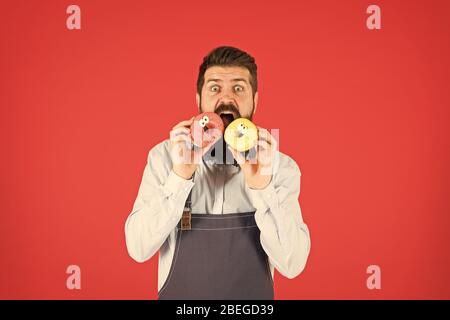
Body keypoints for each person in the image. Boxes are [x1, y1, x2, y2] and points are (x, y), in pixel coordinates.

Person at [124, 46, 311, 299]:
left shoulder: (280, 166)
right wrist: (180, 177)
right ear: (198, 99)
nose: (226, 98)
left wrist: (262, 187)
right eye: (214, 88)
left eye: (238, 88)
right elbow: (138, 249)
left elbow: (293, 265)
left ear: (255, 100)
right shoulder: (164, 157)